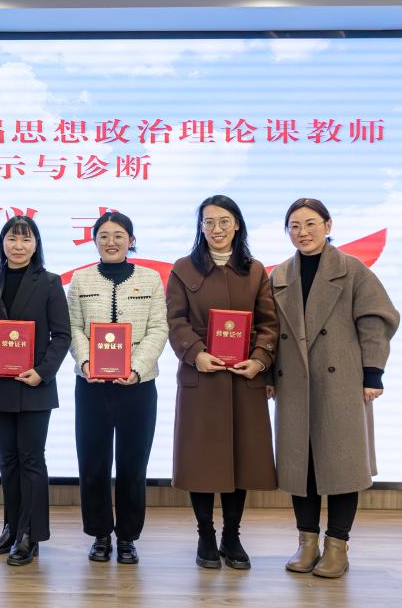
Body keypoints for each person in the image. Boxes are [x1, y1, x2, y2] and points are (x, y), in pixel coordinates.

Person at [269, 198, 399, 578]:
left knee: (342, 464)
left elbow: (376, 320)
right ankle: (307, 542)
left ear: (328, 225)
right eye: (294, 226)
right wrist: (267, 377)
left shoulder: (352, 269)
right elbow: (269, 331)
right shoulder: (279, 274)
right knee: (301, 465)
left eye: (310, 223)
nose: (302, 232)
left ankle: (337, 546)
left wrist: (373, 373)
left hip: (341, 380)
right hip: (293, 384)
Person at [166, 194, 278, 570]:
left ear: (237, 225)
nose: (216, 229)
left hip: (243, 378)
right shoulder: (183, 269)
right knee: (200, 460)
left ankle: (232, 535)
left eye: (224, 221)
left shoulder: (255, 270)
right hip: (201, 377)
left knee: (241, 459)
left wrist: (260, 359)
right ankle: (205, 535)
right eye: (209, 222)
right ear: (200, 227)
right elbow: (175, 320)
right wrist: (195, 352)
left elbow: (269, 323)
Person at [0, 215, 70, 566]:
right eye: (12, 238)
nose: (19, 246)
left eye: (26, 239)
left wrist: (43, 372)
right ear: (2, 243)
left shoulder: (50, 283)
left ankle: (31, 534)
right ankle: (11, 528)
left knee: (31, 459)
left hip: (35, 384)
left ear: (36, 244)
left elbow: (62, 336)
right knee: (7, 460)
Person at [67, 211, 168, 564]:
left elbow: (158, 328)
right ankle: (99, 534)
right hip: (91, 386)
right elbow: (73, 328)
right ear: (95, 240)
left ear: (131, 240)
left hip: (138, 387)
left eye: (119, 235)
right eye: (104, 236)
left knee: (132, 464)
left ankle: (127, 536)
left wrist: (137, 369)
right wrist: (86, 363)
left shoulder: (150, 278)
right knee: (93, 463)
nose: (111, 242)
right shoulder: (80, 279)